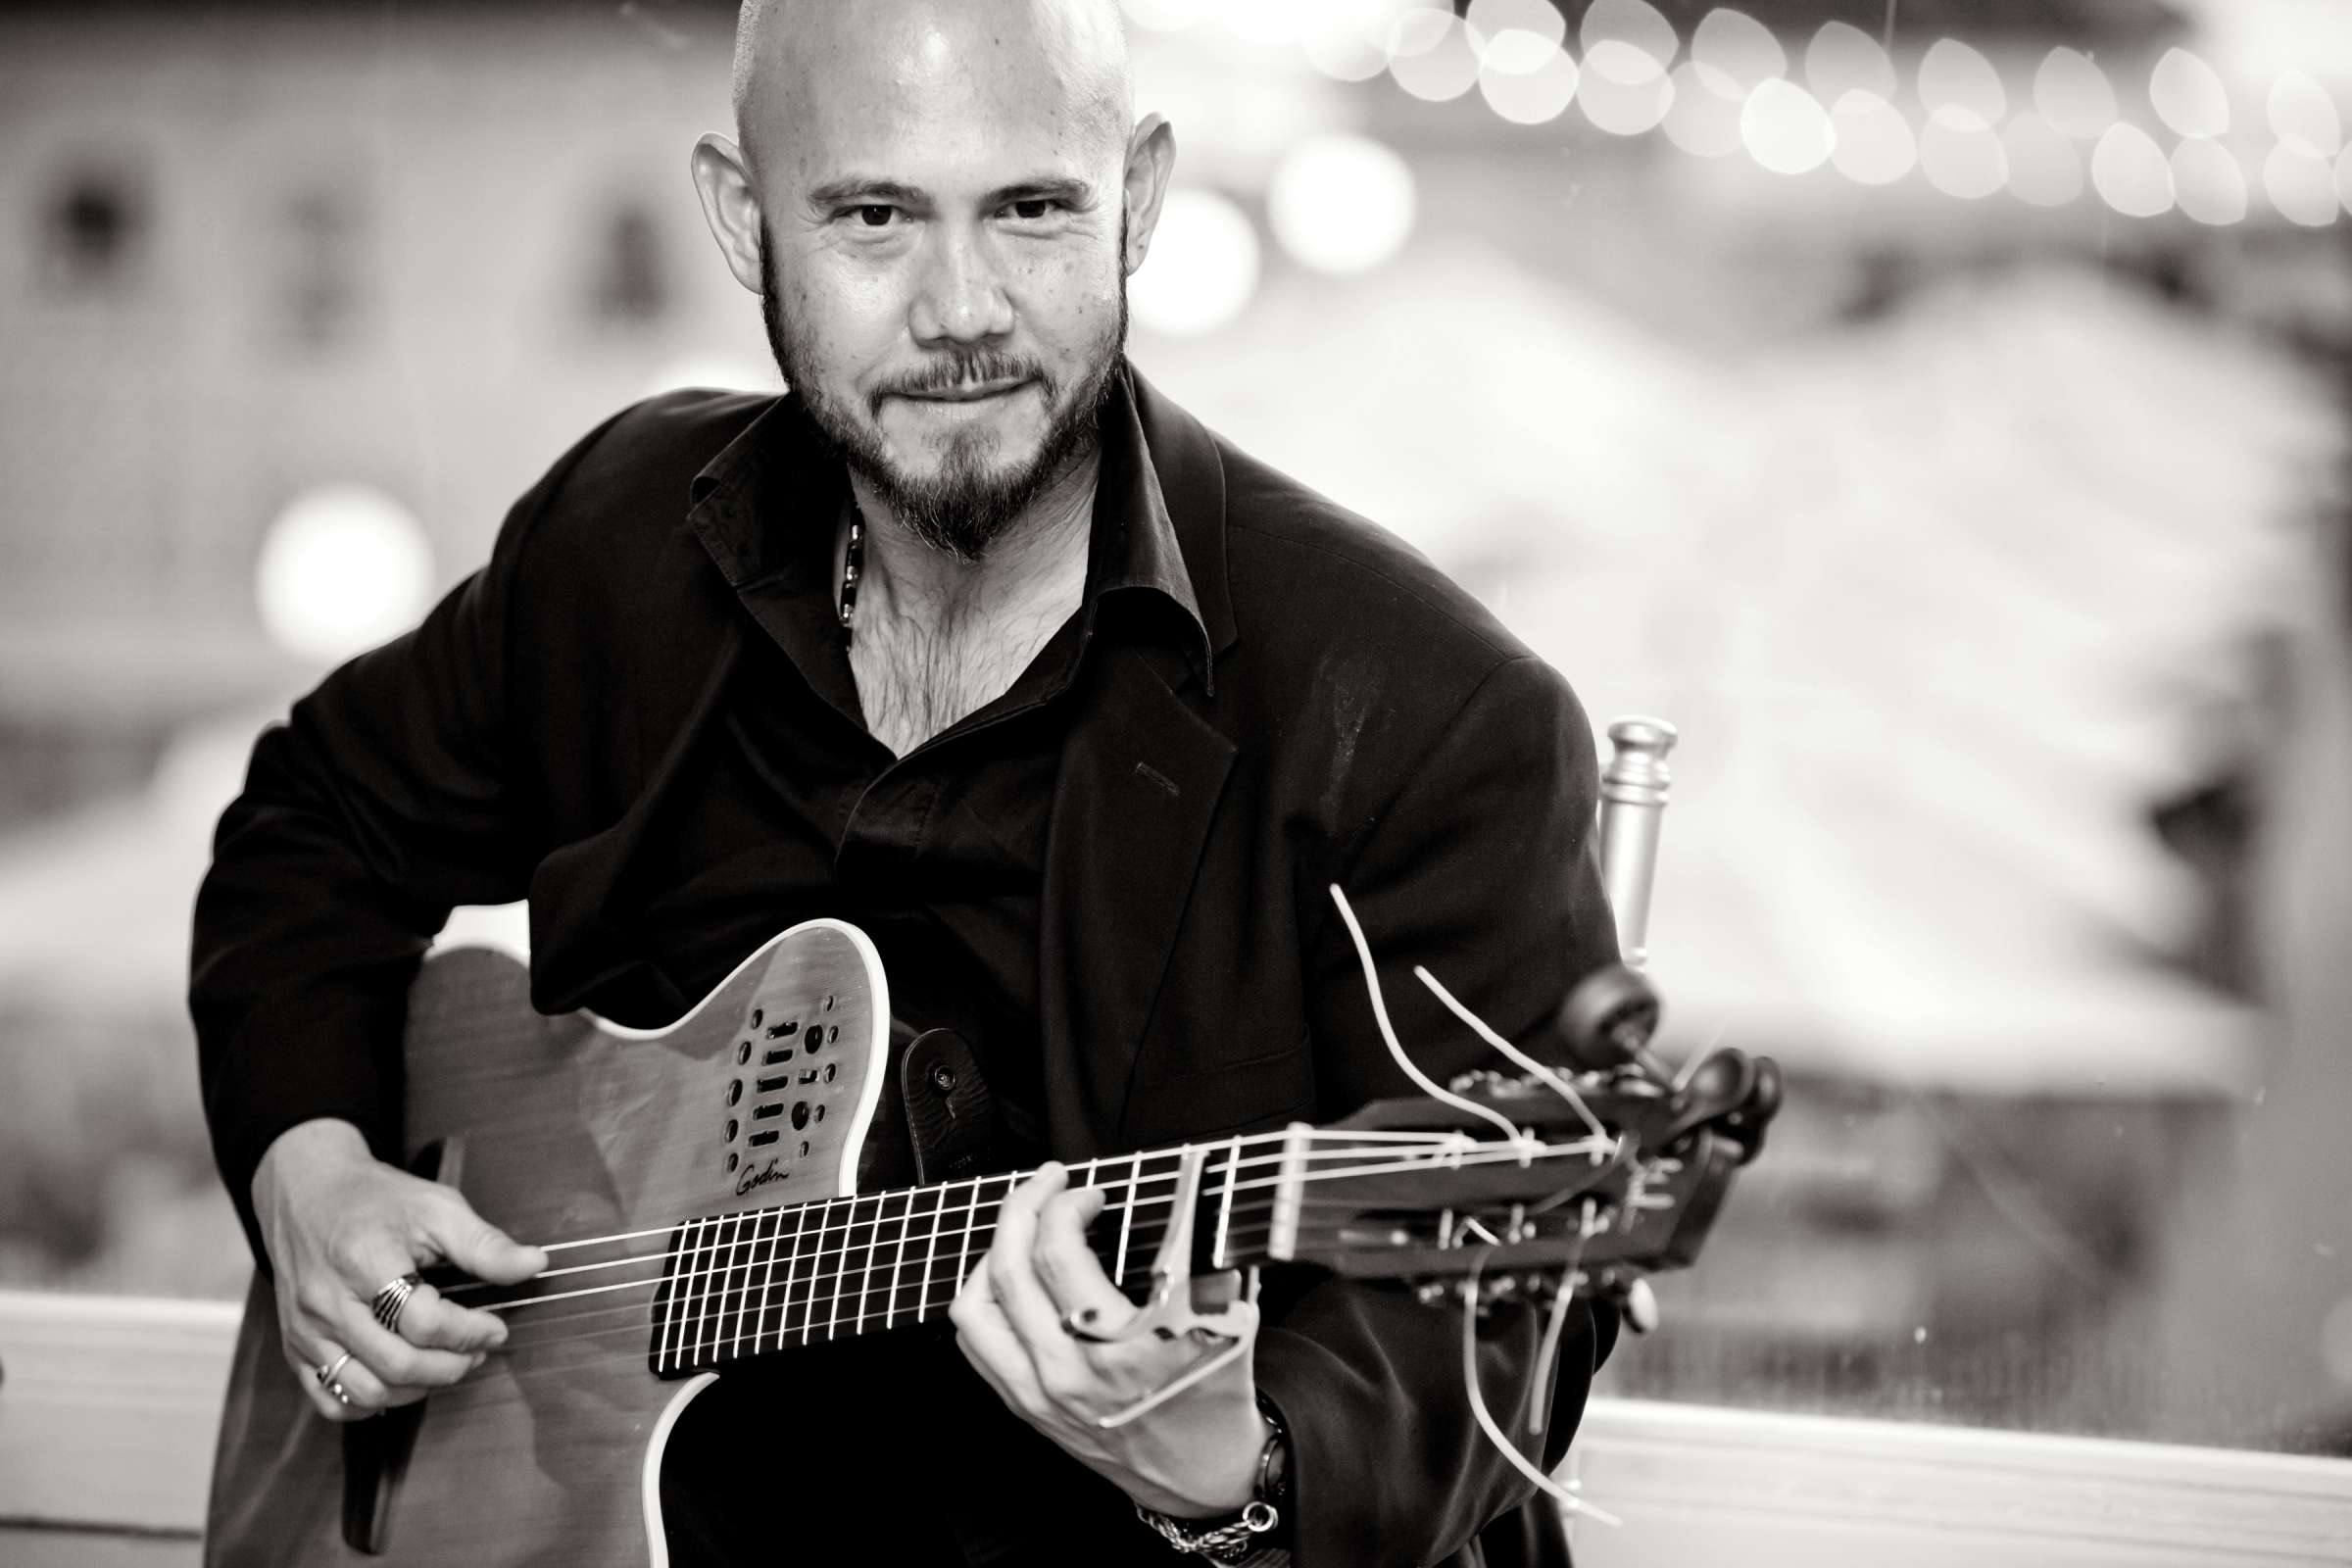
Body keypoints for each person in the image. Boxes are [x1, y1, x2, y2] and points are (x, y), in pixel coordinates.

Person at [189, 1, 1620, 1562]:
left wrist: (1244, 1463)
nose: (963, 309)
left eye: (1032, 207)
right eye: (874, 216)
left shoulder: (1422, 714)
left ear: (1135, 197)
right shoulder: (621, 545)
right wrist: (309, 1169)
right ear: (746, 220)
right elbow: (309, 823)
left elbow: (1513, 1307)